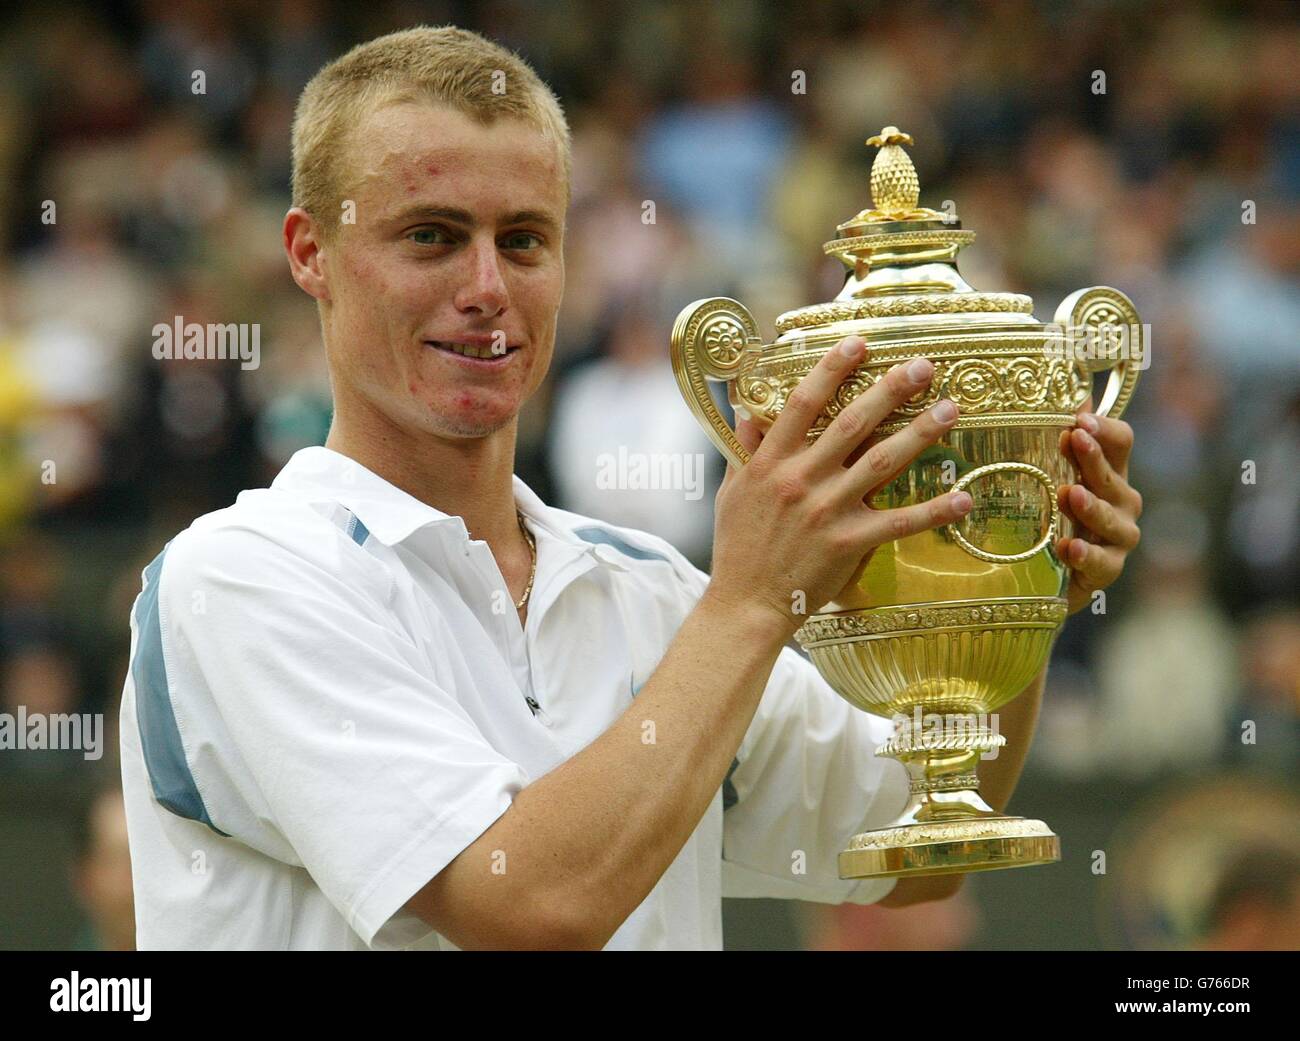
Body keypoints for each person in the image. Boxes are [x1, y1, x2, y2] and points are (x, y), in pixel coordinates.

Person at [117, 25, 1144, 951]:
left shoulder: (648, 587)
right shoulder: (242, 576)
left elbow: (922, 851)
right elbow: (526, 908)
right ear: (312, 254)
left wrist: (1003, 578)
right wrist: (752, 602)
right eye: (430, 235)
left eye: (523, 240)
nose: (485, 289)